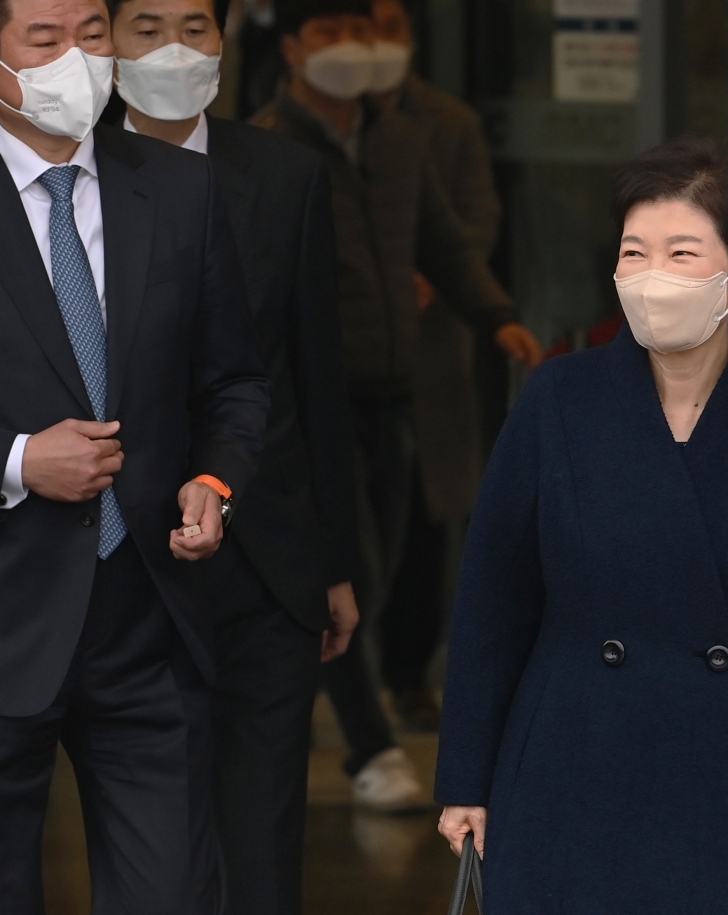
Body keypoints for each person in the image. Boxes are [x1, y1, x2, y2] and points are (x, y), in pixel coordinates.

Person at [435, 137, 728, 913]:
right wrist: (465, 777)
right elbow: (493, 603)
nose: (652, 277)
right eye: (634, 253)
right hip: (570, 760)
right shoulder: (557, 399)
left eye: (681, 252)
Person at [0, 0, 271, 909]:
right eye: (44, 40)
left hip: (146, 617)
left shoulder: (177, 189)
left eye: (90, 34)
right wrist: (17, 459)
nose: (75, 59)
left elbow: (234, 380)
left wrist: (214, 481)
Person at [253, 0, 542, 812]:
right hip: (313, 402)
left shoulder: (401, 136)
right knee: (341, 572)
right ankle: (372, 748)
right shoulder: (266, 146)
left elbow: (443, 240)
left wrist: (498, 316)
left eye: (359, 32)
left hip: (393, 391)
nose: (348, 48)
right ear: (290, 49)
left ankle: (300, 702)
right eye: (327, 33)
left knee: (371, 582)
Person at [108, 0, 360, 909]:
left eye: (193, 27)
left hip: (266, 563)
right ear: (108, 43)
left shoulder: (287, 176)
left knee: (261, 846)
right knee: (158, 850)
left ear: (223, 41)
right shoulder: (69, 175)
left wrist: (333, 561)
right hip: (128, 560)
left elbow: (314, 379)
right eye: (145, 28)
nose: (173, 49)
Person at [369, 0, 503, 732]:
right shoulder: (327, 123)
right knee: (359, 522)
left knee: (426, 519)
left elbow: (476, 221)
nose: (380, 44)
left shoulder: (449, 123)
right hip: (353, 350)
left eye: (394, 28)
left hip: (431, 348)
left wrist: (438, 279)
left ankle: (408, 672)